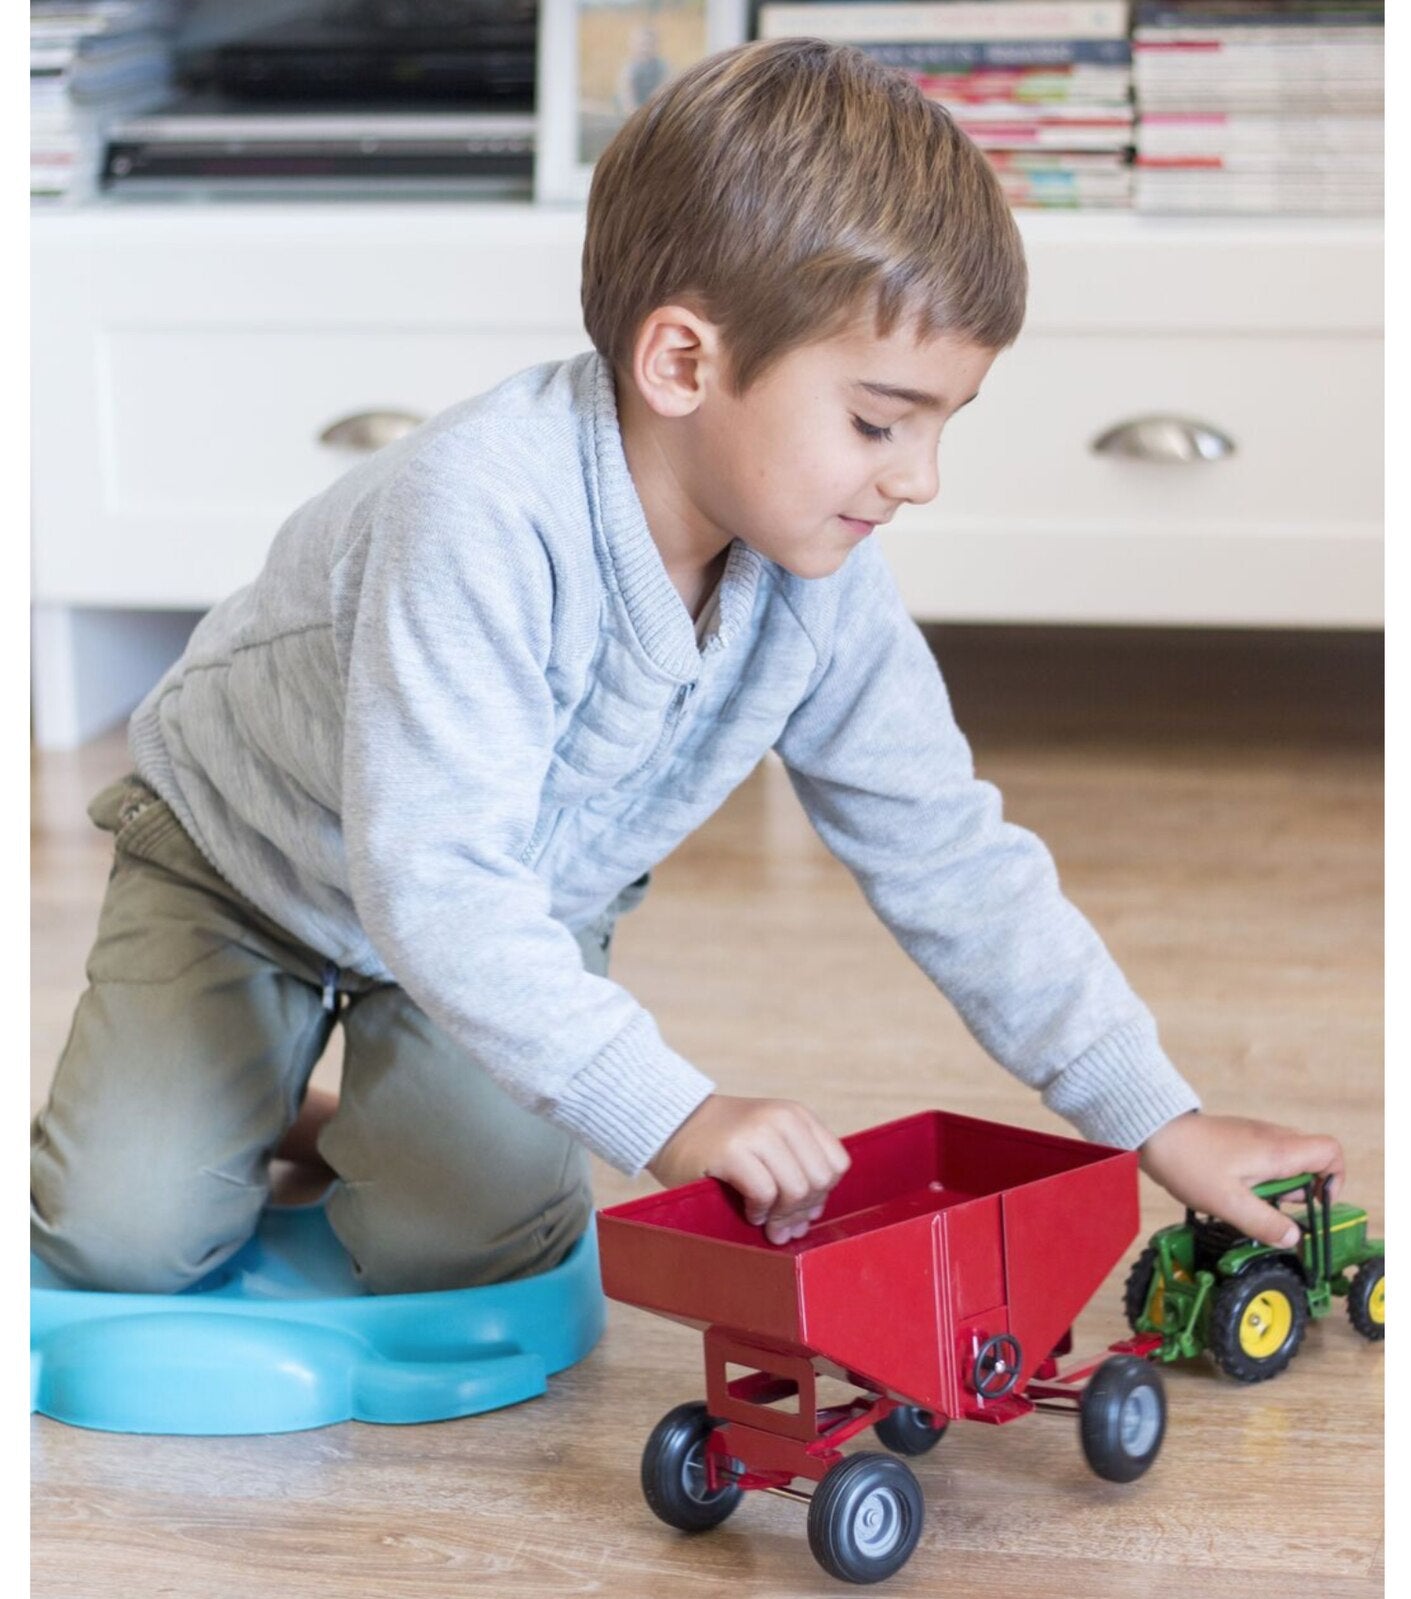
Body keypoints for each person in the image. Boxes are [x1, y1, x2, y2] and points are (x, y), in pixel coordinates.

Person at [31, 39, 1341, 1296]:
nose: (920, 478)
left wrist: (1155, 1119)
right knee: (120, 1241)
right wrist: (679, 1112)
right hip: (248, 871)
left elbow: (950, 853)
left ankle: (339, 1109)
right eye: (880, 421)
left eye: (944, 426)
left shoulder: (819, 582)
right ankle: (264, 1089)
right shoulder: (479, 514)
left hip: (505, 922)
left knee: (464, 1244)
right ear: (681, 362)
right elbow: (436, 885)